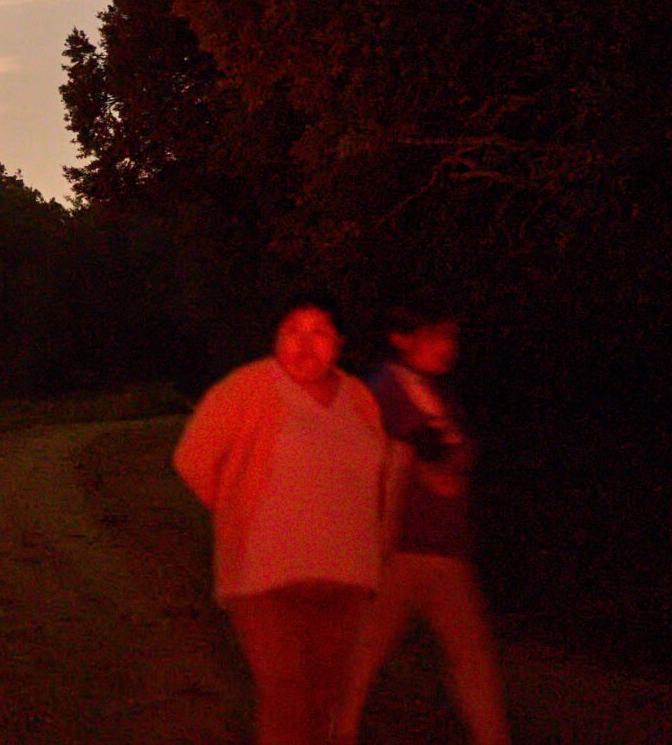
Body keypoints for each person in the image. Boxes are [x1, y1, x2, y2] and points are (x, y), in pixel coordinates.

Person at [174, 302, 389, 745]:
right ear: (275, 338)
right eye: (292, 330)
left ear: (339, 343)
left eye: (320, 331)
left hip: (346, 577)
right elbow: (192, 458)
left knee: (327, 702)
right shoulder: (248, 388)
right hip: (266, 578)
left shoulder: (359, 398)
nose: (305, 343)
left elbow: (377, 472)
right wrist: (236, 509)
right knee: (286, 698)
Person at [334, 306, 510, 745]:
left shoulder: (440, 395)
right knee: (362, 658)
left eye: (451, 336)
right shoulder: (382, 390)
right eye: (436, 336)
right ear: (402, 337)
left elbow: (454, 457)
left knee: (473, 663)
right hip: (398, 553)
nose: (448, 347)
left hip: (448, 552)